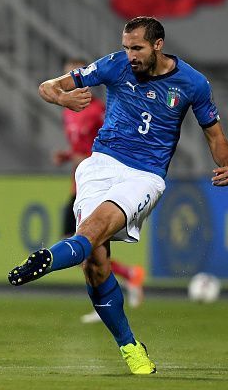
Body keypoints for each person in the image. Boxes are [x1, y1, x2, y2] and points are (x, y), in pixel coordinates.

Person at [8, 16, 228, 374]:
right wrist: (62, 98)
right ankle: (130, 346)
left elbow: (213, 132)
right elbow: (47, 86)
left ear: (158, 45)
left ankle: (47, 259)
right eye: (127, 47)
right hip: (100, 166)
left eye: (137, 48)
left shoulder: (192, 82)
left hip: (145, 175)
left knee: (94, 228)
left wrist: (226, 165)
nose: (130, 55)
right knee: (94, 264)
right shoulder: (114, 64)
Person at [54, 59, 146, 320]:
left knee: (85, 244)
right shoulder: (68, 110)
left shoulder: (99, 110)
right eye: (67, 76)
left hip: (98, 184)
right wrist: (67, 155)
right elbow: (79, 147)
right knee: (76, 242)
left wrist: (81, 156)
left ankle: (110, 296)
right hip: (78, 184)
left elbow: (108, 145)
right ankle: (125, 279)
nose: (73, 81)